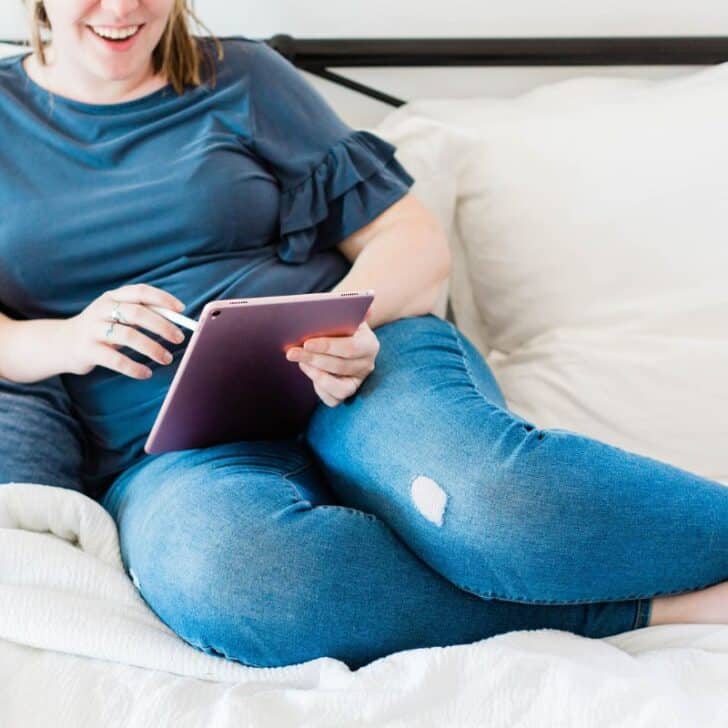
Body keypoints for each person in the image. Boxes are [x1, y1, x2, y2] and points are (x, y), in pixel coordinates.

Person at [1, 0, 726, 671]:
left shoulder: (242, 75)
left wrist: (343, 320)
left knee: (493, 501)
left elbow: (408, 235)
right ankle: (643, 608)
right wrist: (66, 340)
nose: (124, 9)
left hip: (362, 369)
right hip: (170, 453)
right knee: (242, 579)